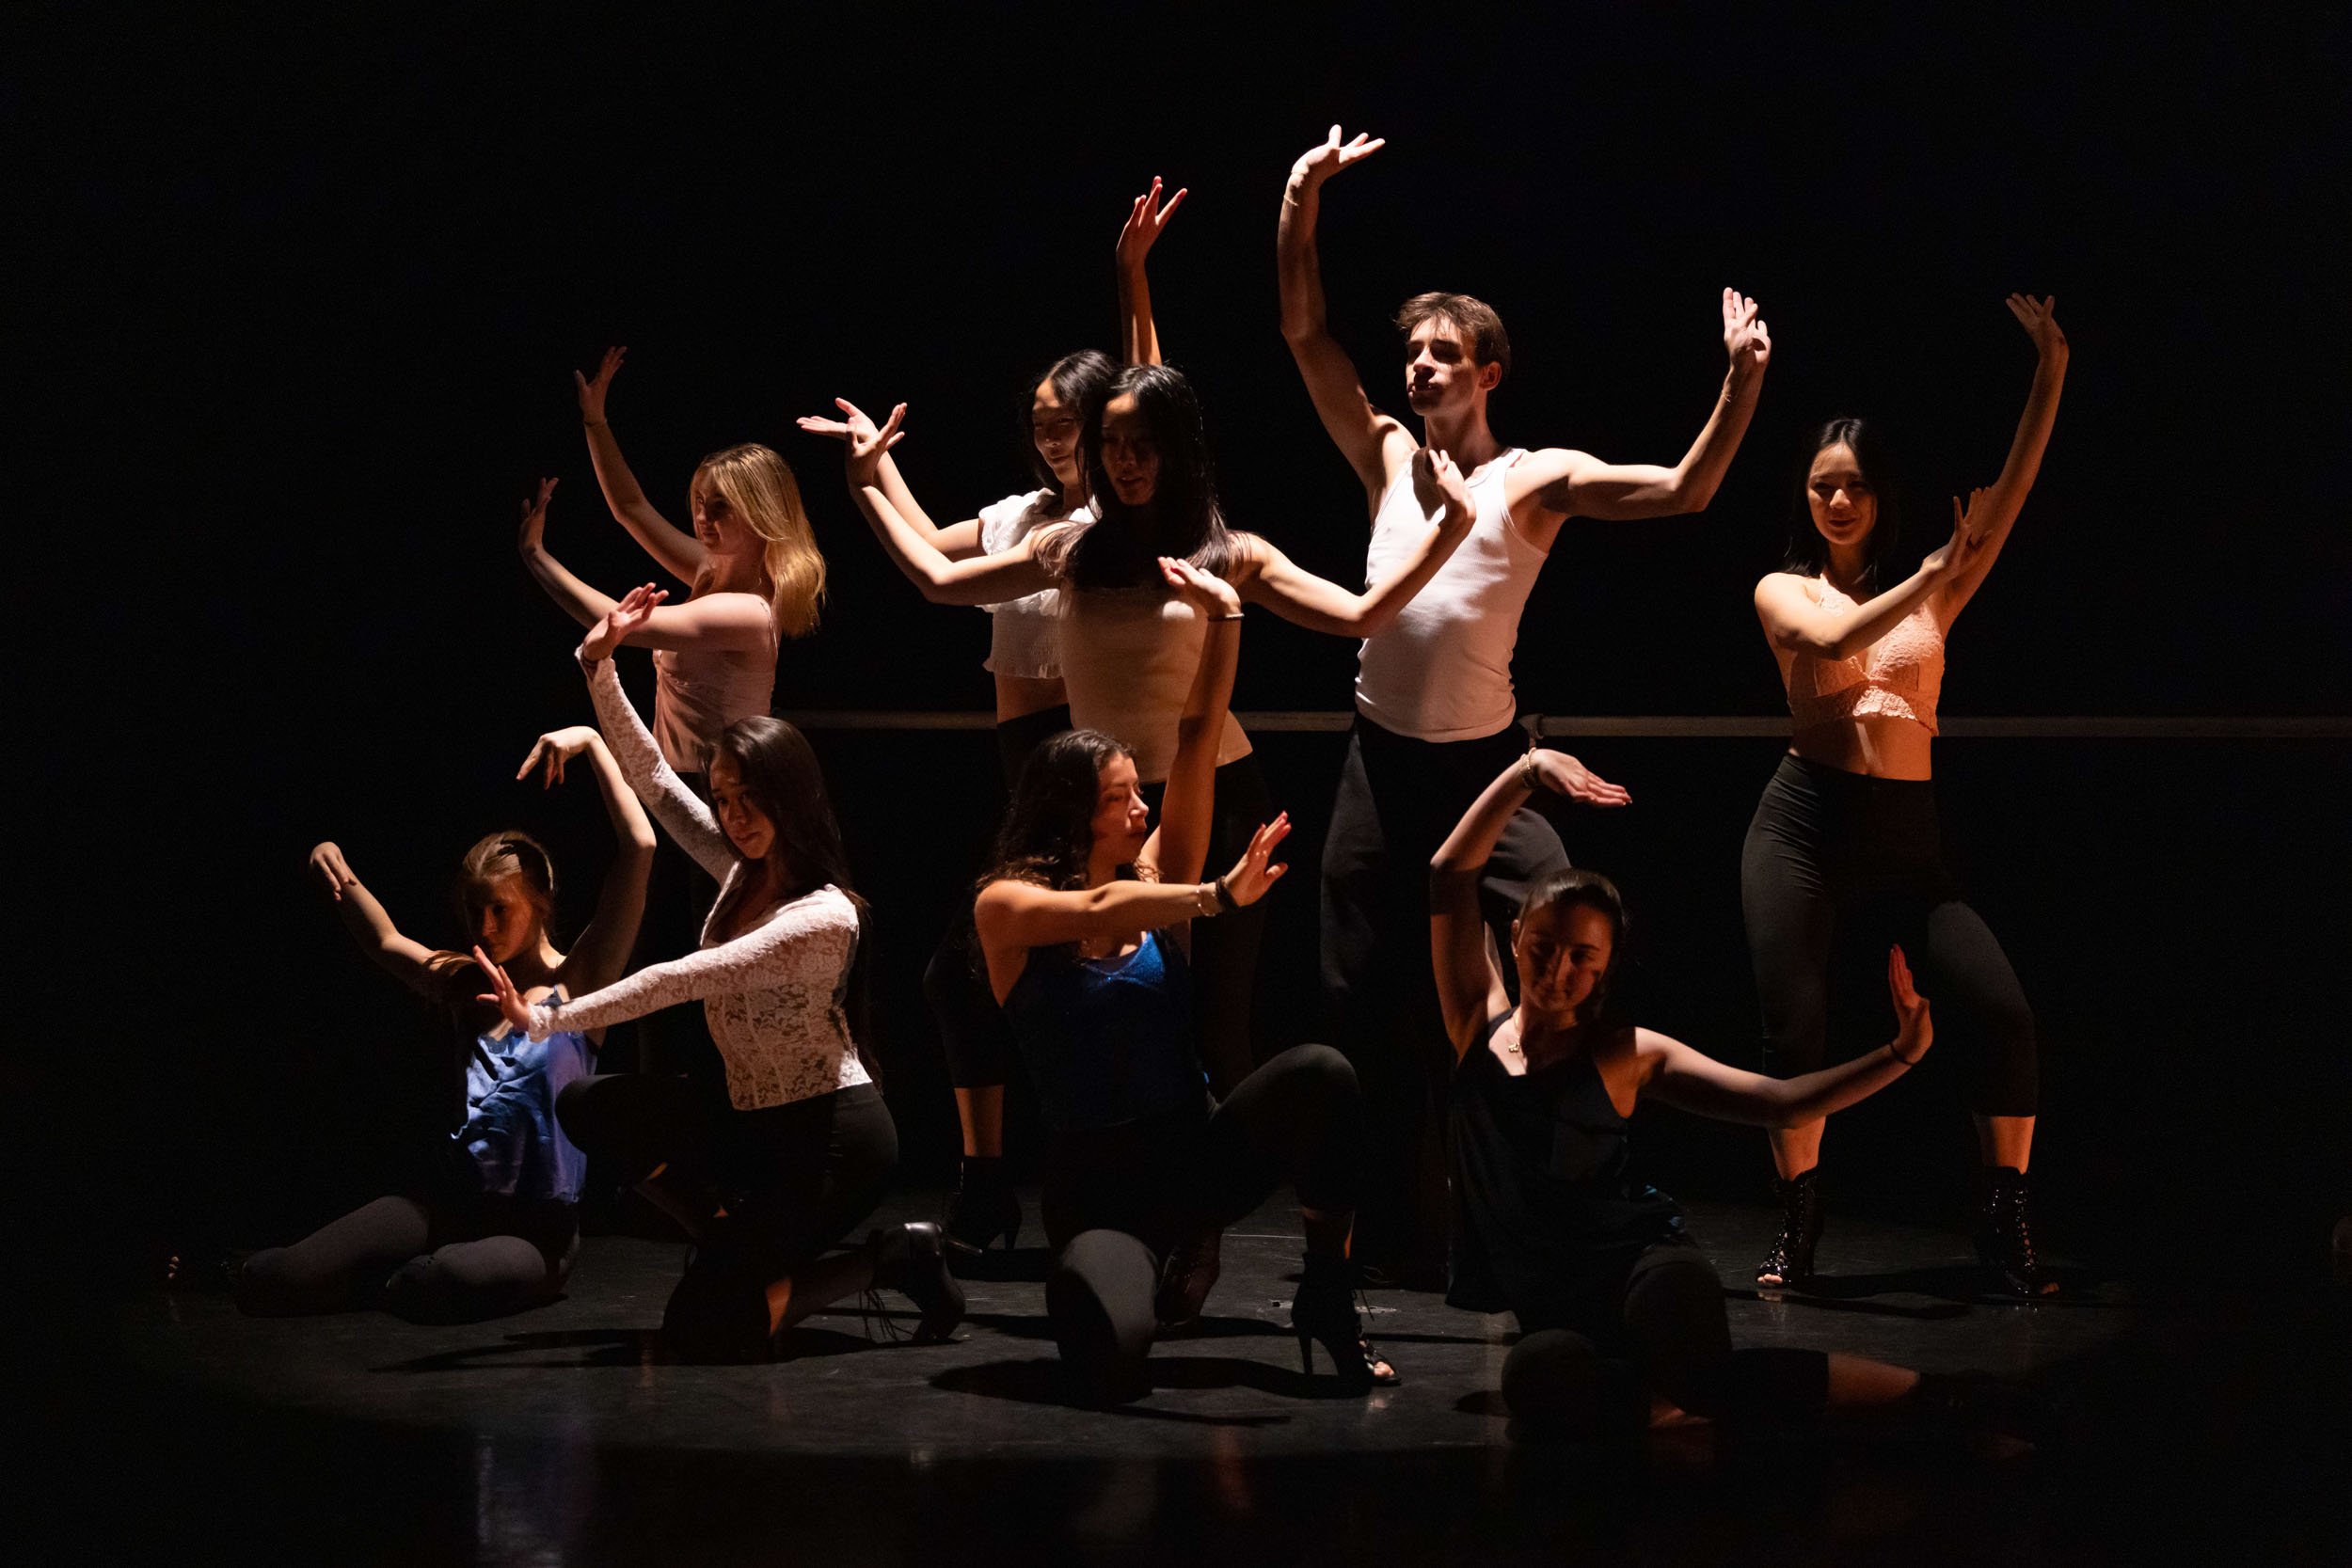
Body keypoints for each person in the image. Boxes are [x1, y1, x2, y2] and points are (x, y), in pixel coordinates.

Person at [1275, 125, 1774, 1284]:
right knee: (1356, 1002)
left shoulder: (1529, 480)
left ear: (1489, 371)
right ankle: (1374, 1241)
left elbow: (1687, 489)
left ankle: (1570, 1197)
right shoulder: (1386, 456)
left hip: (1487, 770)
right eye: (1412, 352)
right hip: (1377, 766)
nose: (1419, 367)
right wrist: (1301, 198)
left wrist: (1739, 382)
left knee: (1560, 968)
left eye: (1443, 352)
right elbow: (1304, 332)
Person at [803, 365, 1476, 1107]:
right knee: (1105, 1008)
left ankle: (1236, 1201)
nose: (1125, 460)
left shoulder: (1232, 554)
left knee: (1210, 1022)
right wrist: (867, 479)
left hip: (1213, 799)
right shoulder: (1070, 550)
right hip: (1110, 810)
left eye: (1143, 444)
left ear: (1177, 450)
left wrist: (1451, 528)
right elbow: (935, 576)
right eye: (1113, 444)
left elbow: (1360, 614)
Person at [832, 178, 1184, 1256]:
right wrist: (869, 476)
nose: (1049, 439)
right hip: (1017, 761)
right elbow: (932, 560)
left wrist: (1132, 280)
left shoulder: (1098, 521)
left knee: (1027, 966)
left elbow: (1146, 390)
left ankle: (1040, 1174)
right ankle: (998, 1175)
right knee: (971, 971)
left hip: (1075, 762)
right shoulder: (1023, 515)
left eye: (1063, 422)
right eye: (1035, 425)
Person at [477, 587, 960, 1361]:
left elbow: (681, 977)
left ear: (790, 796)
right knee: (590, 1103)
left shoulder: (823, 916)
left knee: (707, 1329)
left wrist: (548, 1018)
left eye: (750, 799)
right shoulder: (741, 869)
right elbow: (658, 783)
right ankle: (729, 1234)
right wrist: (597, 664)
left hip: (831, 1140)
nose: (733, 815)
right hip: (747, 1125)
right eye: (725, 798)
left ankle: (888, 1257)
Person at [969, 552, 1391, 1402]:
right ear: (1072, 814)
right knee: (1117, 1361)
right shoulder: (1008, 907)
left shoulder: (1156, 881)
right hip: (1098, 1191)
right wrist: (1213, 895)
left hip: (1189, 1158)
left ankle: (1326, 1294)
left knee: (1323, 1074)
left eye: (1138, 794)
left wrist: (1226, 620)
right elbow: (1092, 915)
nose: (1142, 810)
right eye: (1122, 799)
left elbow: (1197, 737)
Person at [1431, 752, 1938, 1436]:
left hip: (1648, 1269)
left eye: (1583, 955)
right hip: (1559, 1310)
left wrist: (1900, 1054)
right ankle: (1677, 1409)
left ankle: (1931, 1394)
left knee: (1704, 1379)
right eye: (1545, 945)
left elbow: (1780, 1102)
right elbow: (1448, 873)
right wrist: (1526, 771)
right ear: (1516, 936)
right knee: (1531, 1375)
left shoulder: (1626, 1052)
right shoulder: (1474, 1022)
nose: (1558, 968)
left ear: (1606, 966)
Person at [1742, 295, 2070, 1299]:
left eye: (1851, 487)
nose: (1835, 502)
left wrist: (2050, 368)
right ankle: (1799, 1230)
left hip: (1904, 840)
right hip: (1801, 827)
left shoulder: (1934, 585)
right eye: (1818, 487)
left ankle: (2004, 1222)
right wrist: (1927, 573)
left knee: (2002, 1011)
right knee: (1794, 1032)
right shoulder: (1782, 589)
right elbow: (1836, 645)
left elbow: (2010, 491)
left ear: (1879, 494)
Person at [236, 725, 654, 1323]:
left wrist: (591, 742)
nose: (482, 927)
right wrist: (337, 870)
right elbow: (385, 941)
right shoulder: (468, 982)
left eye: (500, 910)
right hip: (448, 1204)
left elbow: (639, 850)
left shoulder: (583, 981)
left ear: (541, 902)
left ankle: (405, 1280)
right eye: (473, 910)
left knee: (441, 1281)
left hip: (538, 1231)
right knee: (277, 1278)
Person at [527, 365, 827, 1084]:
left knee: (698, 971)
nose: (702, 517)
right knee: (661, 964)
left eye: (719, 506)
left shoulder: (748, 610)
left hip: (724, 803)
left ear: (761, 515)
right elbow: (631, 508)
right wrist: (596, 418)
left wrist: (537, 559)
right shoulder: (709, 572)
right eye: (699, 502)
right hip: (674, 786)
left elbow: (619, 627)